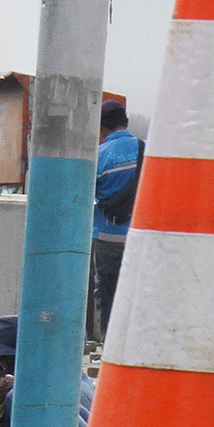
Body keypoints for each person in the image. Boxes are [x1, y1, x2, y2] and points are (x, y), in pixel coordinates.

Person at [91, 99, 141, 340]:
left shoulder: (99, 156)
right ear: (127, 122)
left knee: (109, 294)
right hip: (141, 238)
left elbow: (86, 195)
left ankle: (110, 346)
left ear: (100, 128)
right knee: (139, 293)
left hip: (107, 238)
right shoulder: (147, 150)